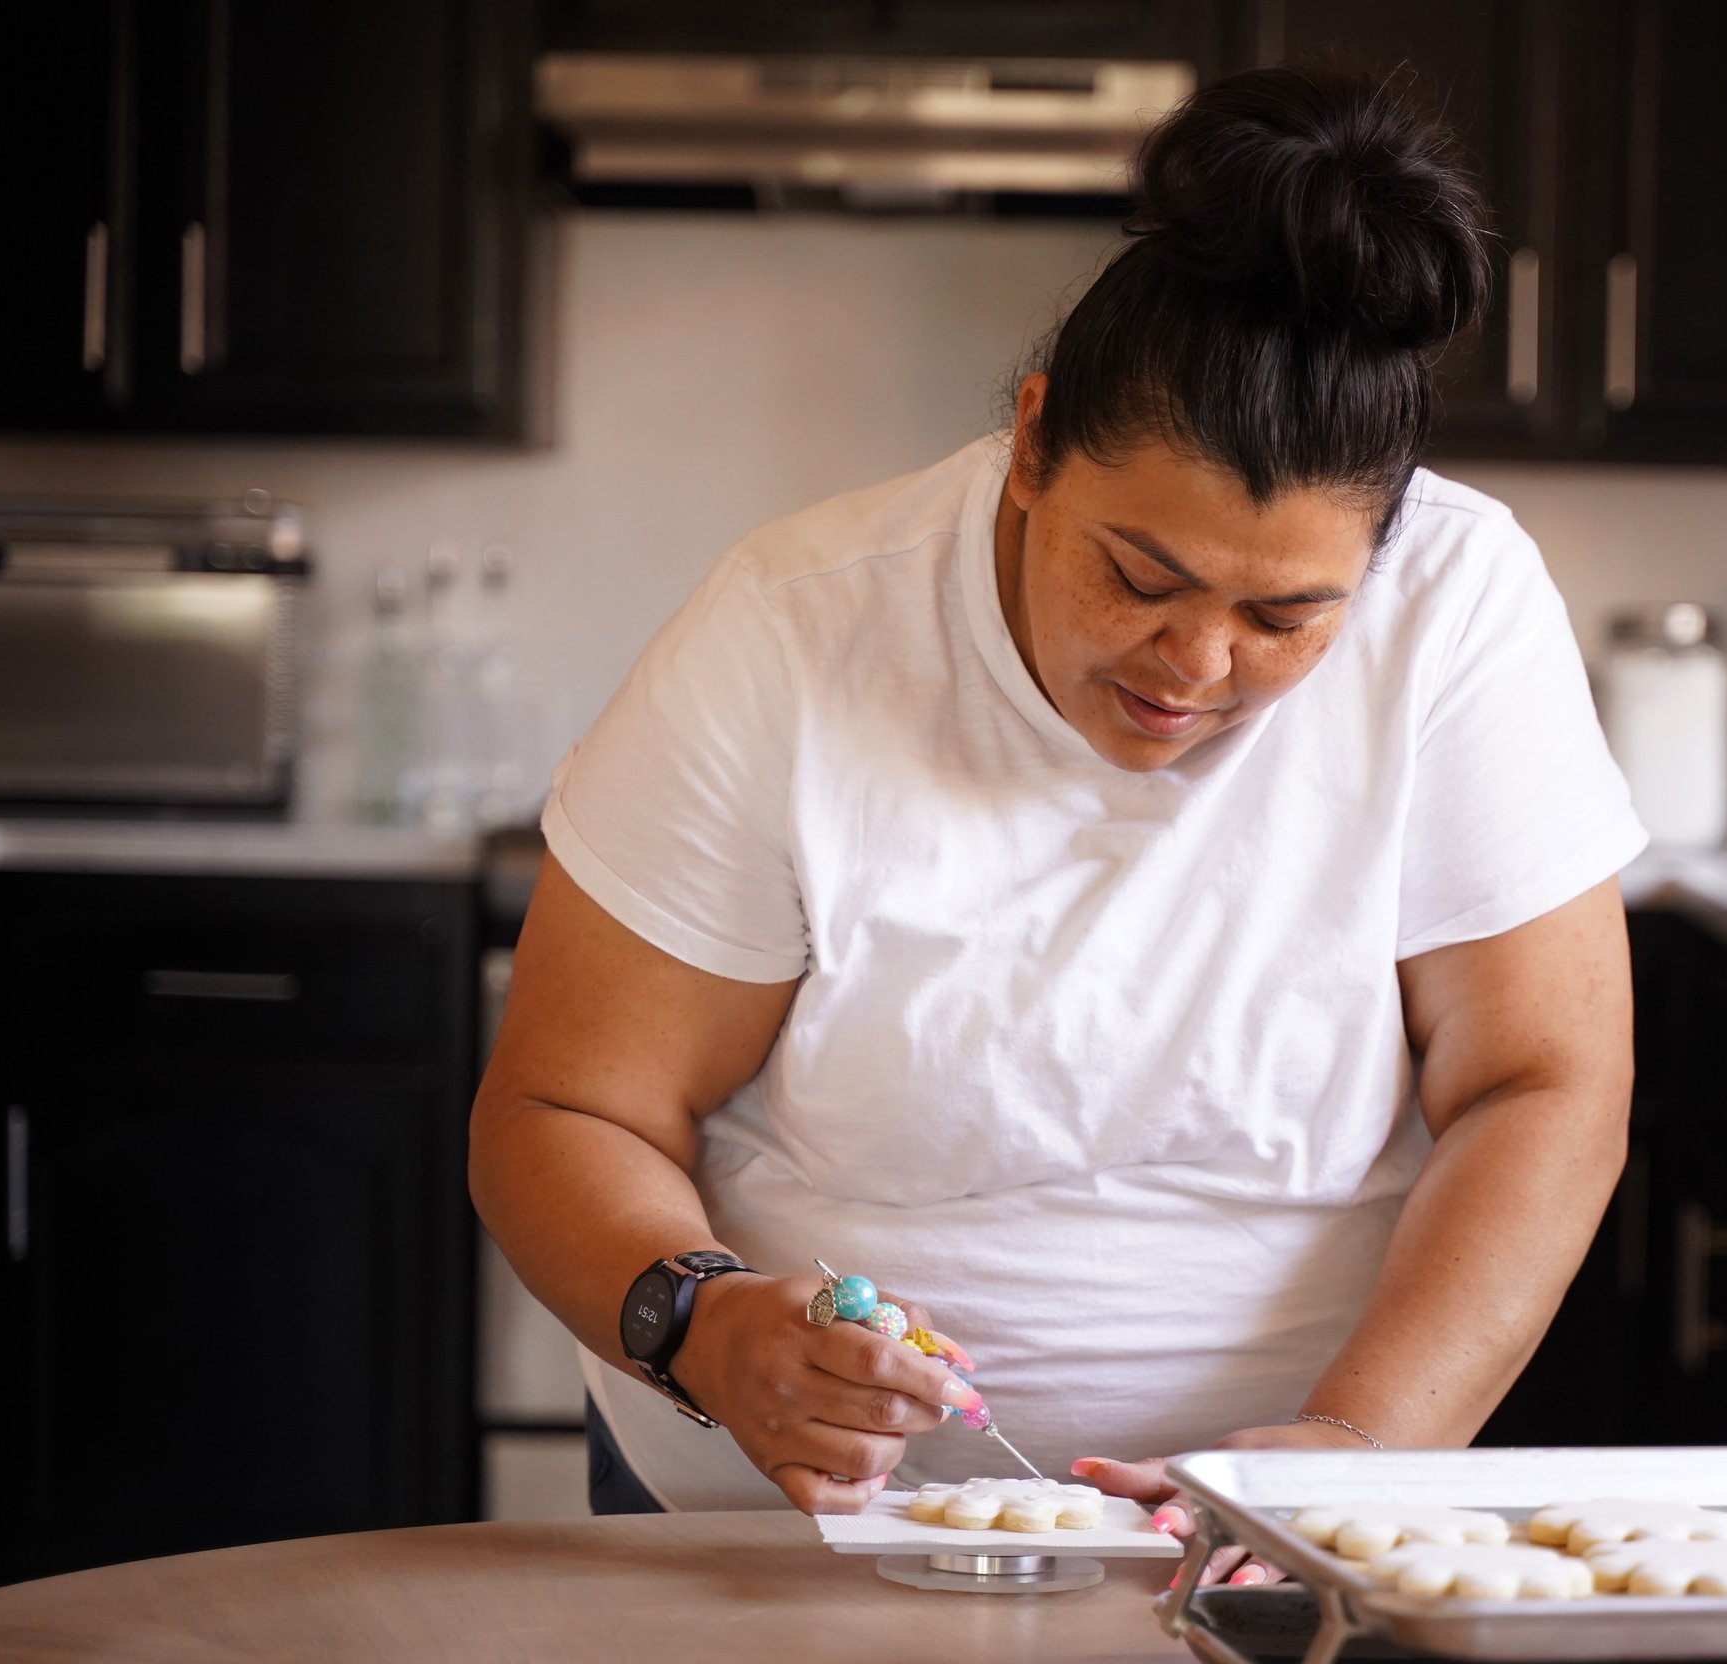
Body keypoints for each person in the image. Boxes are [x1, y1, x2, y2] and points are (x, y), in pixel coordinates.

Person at [468, 64, 1645, 1574]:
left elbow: (1544, 1084)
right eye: (1141, 578)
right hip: (771, 1528)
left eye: (1286, 615)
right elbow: (564, 1110)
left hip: (1278, 1527)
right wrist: (700, 1321)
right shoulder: (793, 633)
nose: (1199, 665)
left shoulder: (1459, 608)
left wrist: (1361, 1448)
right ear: (1032, 445)